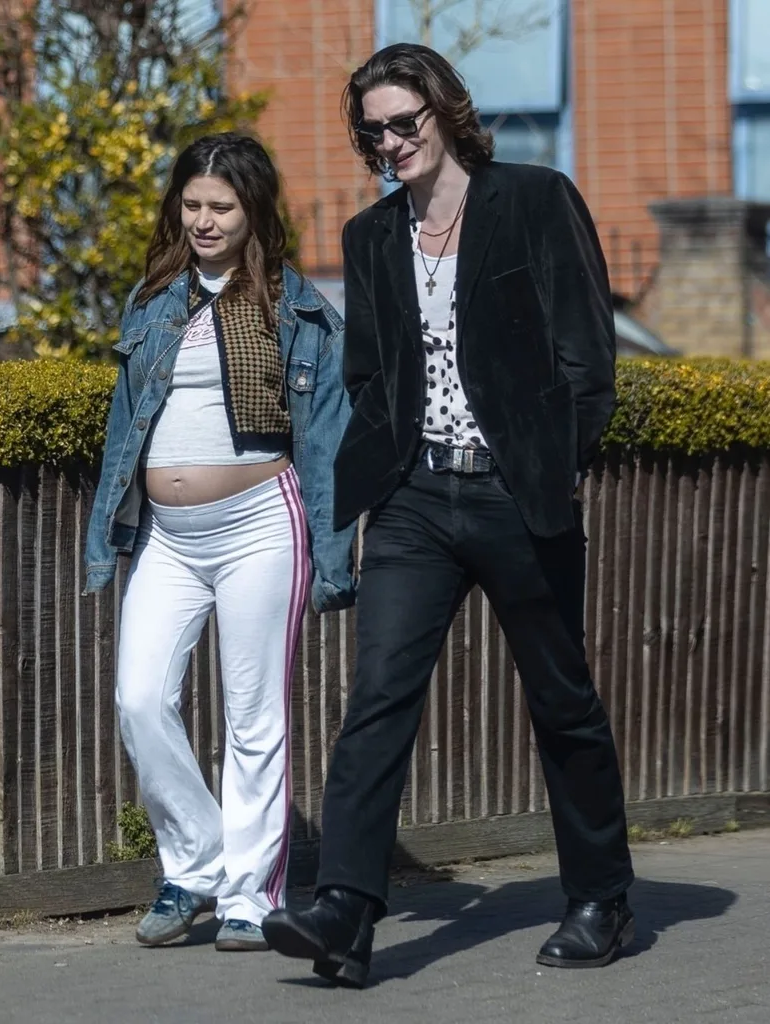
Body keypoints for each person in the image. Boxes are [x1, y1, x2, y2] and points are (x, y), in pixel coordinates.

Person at [261, 44, 635, 986]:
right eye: (374, 131)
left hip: (516, 495)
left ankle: (599, 896)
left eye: (404, 122)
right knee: (378, 696)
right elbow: (368, 375)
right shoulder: (370, 237)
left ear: (444, 110)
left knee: (560, 700)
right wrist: (378, 478)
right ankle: (345, 911)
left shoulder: (535, 200)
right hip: (415, 500)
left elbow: (588, 357)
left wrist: (554, 463)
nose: (390, 143)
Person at [84, 132, 355, 952]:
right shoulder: (152, 300)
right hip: (168, 535)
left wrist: (333, 552)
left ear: (253, 212)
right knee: (139, 699)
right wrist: (108, 529)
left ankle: (248, 893)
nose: (203, 221)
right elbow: (124, 427)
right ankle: (195, 862)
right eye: (192, 205)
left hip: (260, 524)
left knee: (252, 714)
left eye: (221, 208)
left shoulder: (297, 308)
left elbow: (326, 437)